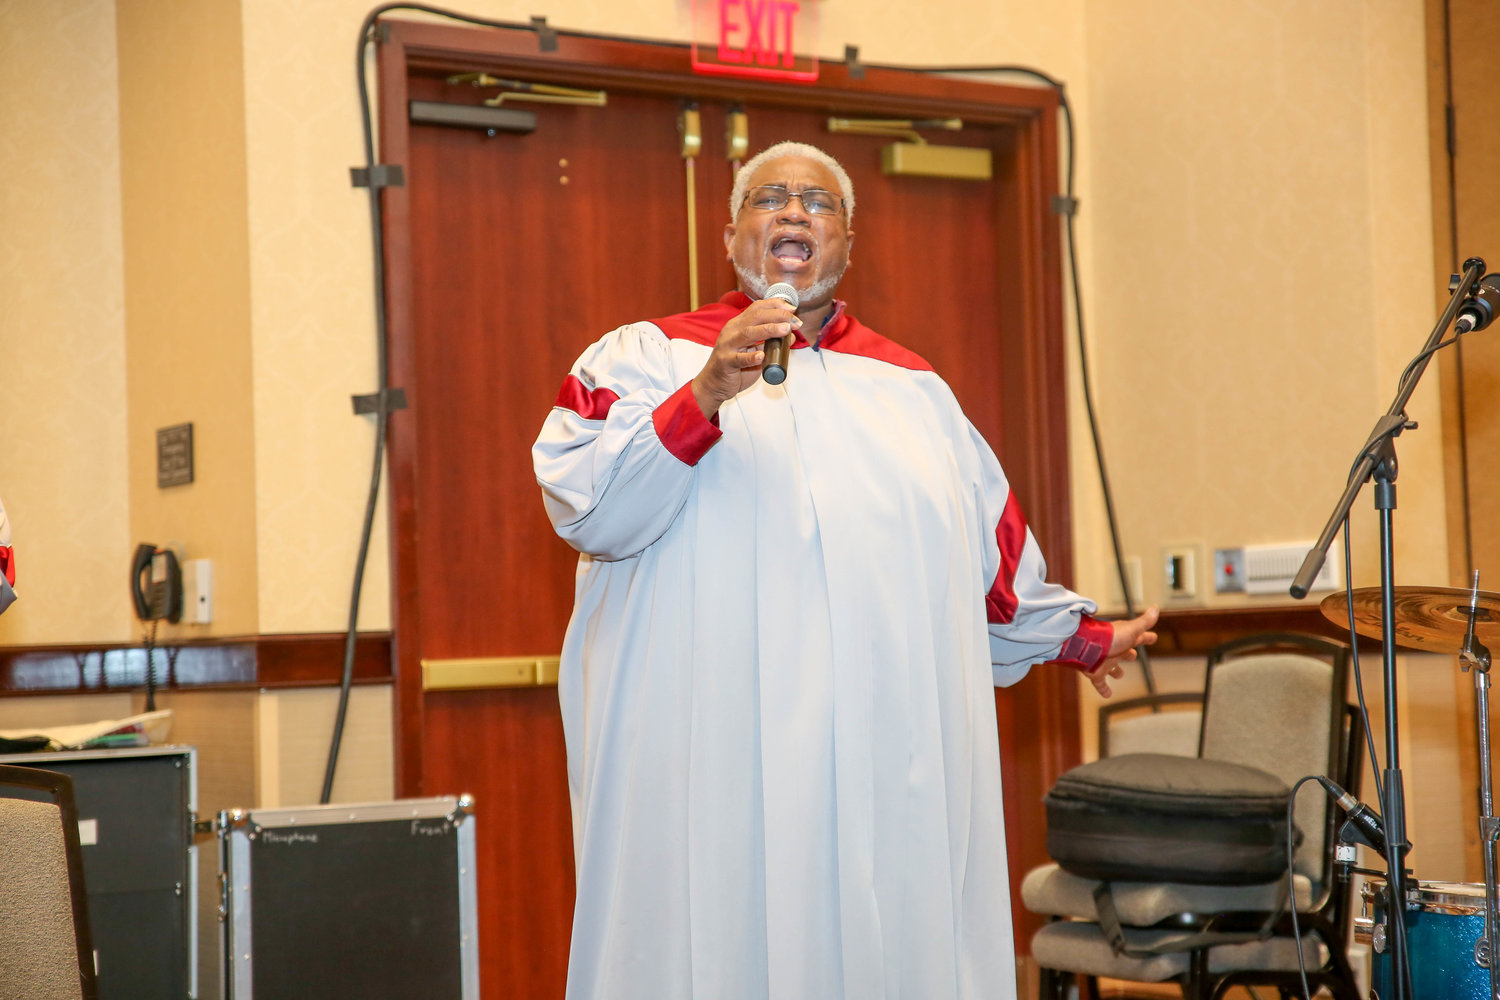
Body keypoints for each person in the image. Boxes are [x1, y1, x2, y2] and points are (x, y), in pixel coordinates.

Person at [532, 140, 1158, 1000]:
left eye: (819, 202)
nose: (795, 212)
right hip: (708, 753)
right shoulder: (643, 360)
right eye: (770, 198)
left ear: (847, 244)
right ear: (730, 236)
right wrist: (706, 392)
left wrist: (1081, 638)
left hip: (878, 754)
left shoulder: (915, 393)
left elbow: (990, 563)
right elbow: (591, 509)